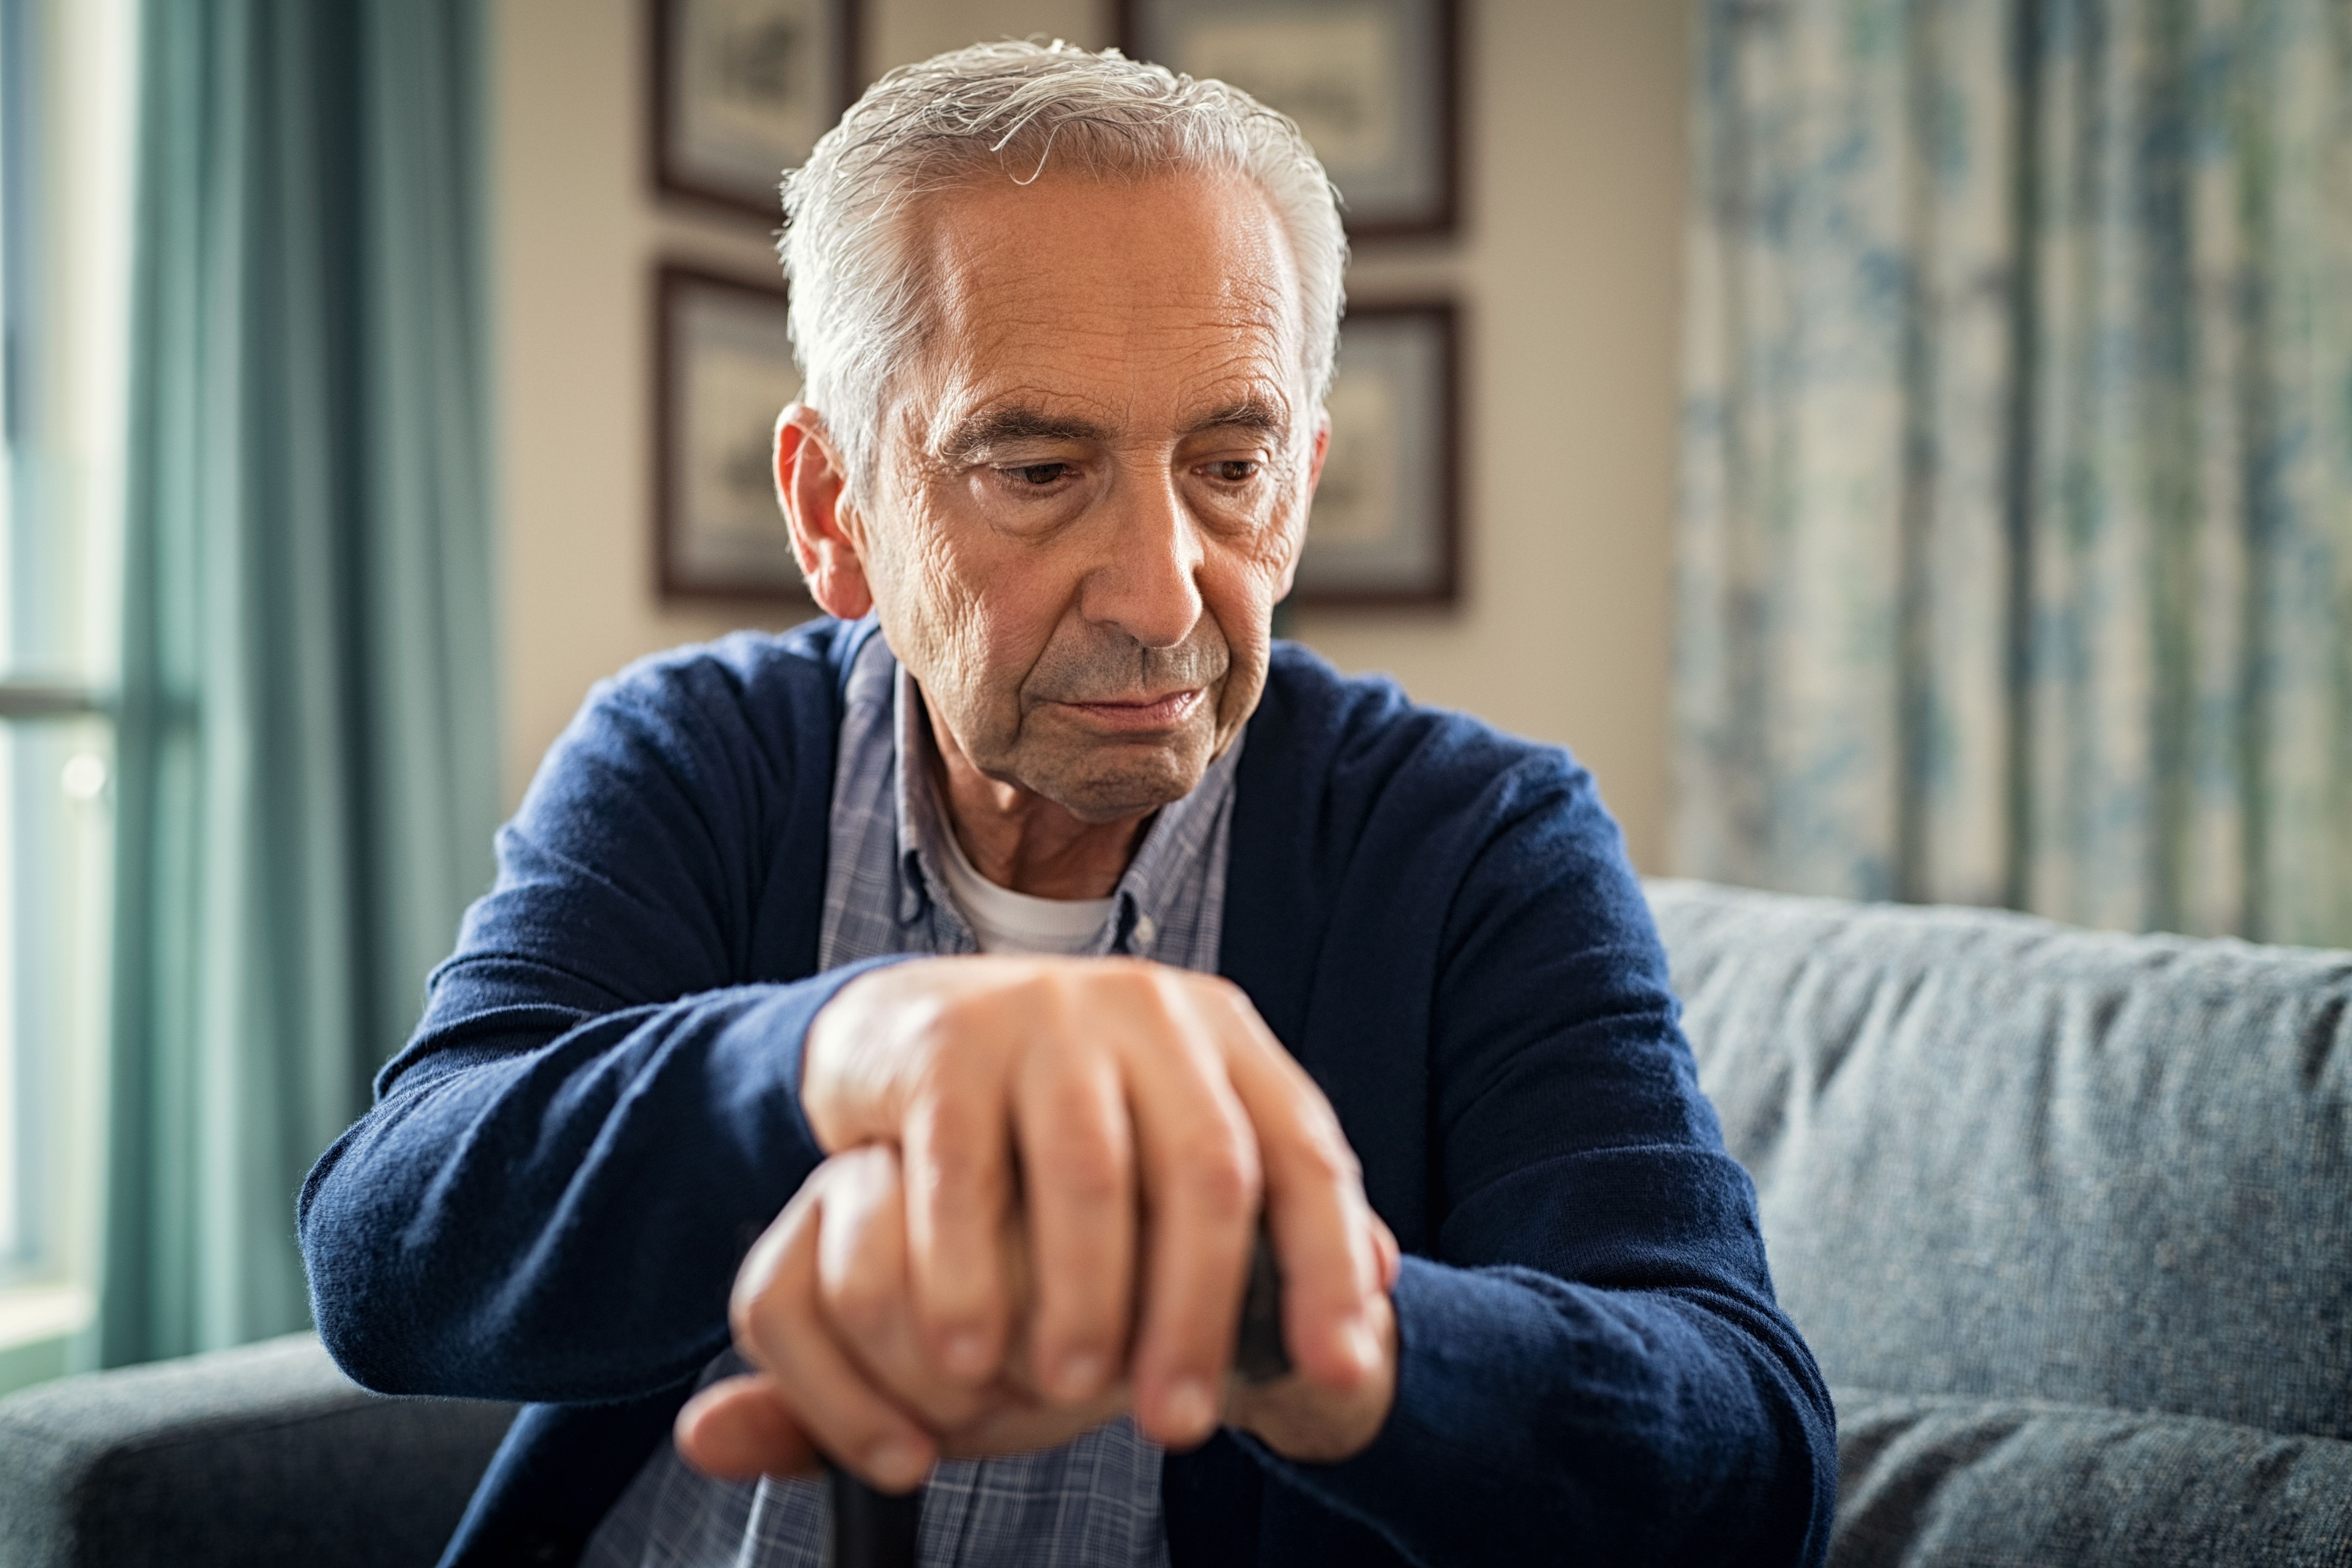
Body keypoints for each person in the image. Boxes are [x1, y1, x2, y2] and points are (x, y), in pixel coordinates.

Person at [298, 41, 1836, 1568]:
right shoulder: (699, 754)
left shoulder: (1478, 844)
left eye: (1230, 465)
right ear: (836, 511)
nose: (1167, 594)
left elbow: (1748, 1461)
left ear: (1298, 482)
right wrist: (856, 1047)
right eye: (1038, 468)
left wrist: (1266, 1305)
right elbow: (390, 1258)